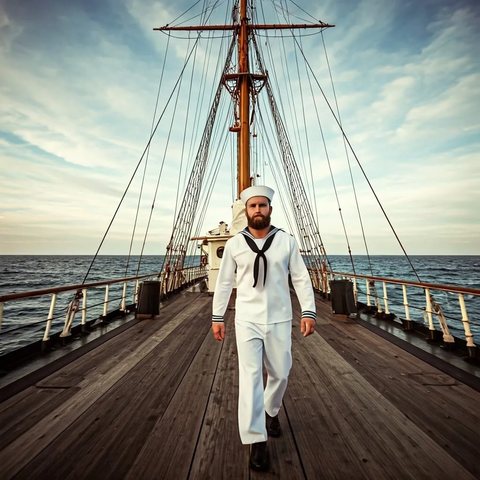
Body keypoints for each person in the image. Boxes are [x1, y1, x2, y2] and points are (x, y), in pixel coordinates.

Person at [211, 185, 316, 471]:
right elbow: (223, 283)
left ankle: (271, 411)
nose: (257, 210)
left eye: (262, 205)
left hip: (280, 318)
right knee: (251, 378)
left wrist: (309, 311)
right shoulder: (235, 244)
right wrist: (217, 316)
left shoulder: (287, 242)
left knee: (281, 373)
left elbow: (301, 278)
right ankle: (257, 441)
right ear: (246, 211)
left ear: (270, 209)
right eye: (253, 206)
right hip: (247, 320)